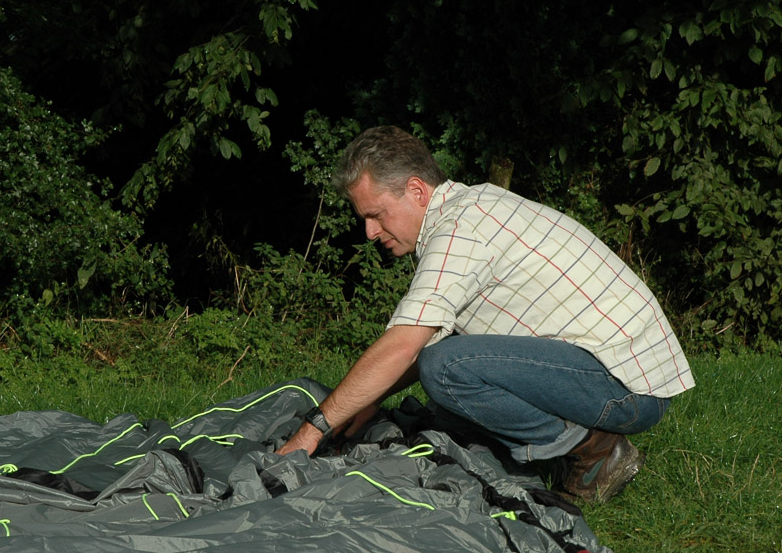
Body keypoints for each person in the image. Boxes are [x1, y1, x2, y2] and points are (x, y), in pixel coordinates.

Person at [277, 126, 694, 502]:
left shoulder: (462, 228)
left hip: (627, 388)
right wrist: (365, 403)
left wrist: (312, 431)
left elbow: (405, 347)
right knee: (445, 371)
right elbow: (424, 339)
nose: (369, 232)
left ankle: (596, 451)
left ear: (417, 191)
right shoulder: (468, 210)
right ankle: (562, 445)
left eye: (376, 214)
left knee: (445, 368)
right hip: (615, 371)